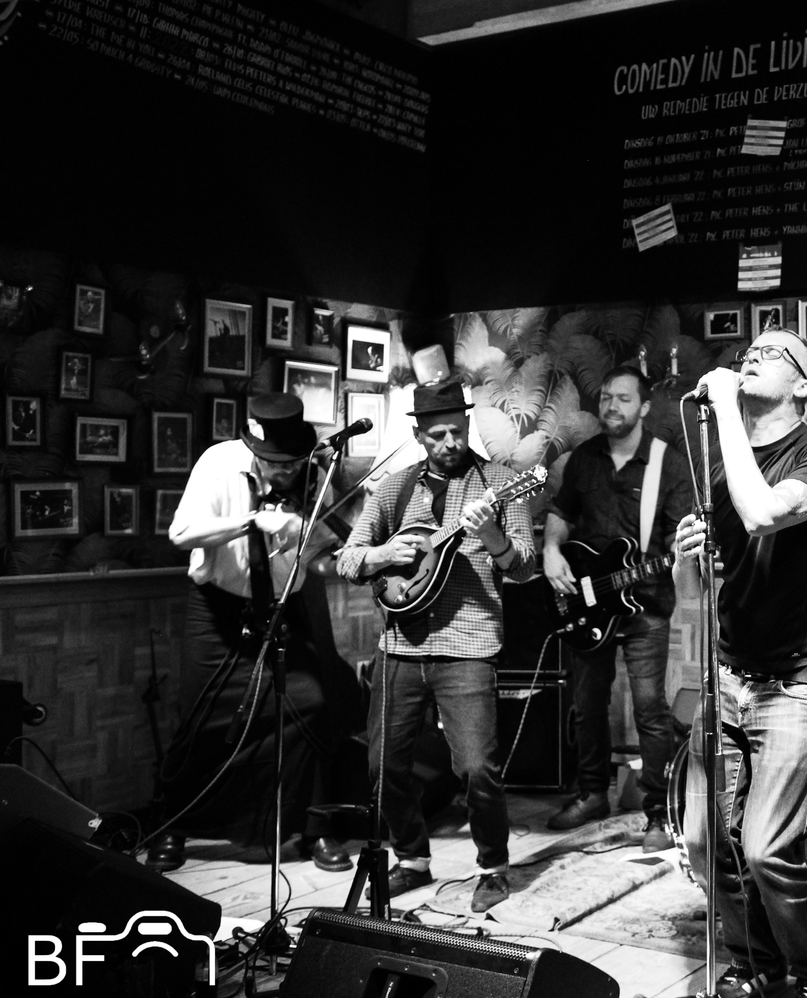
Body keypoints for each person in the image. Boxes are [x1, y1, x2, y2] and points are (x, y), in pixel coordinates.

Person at [673, 328, 807, 998]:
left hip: (799, 679)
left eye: (772, 353)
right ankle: (755, 963)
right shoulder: (725, 465)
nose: (751, 356)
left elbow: (764, 514)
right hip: (730, 671)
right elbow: (698, 589)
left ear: (804, 384)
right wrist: (685, 557)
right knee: (705, 841)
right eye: (748, 352)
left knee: (766, 847)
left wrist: (725, 403)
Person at [336, 380, 537, 914]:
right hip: (399, 646)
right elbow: (348, 559)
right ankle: (412, 858)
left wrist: (493, 537)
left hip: (469, 645)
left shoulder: (503, 483)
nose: (450, 442)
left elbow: (524, 567)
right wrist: (383, 556)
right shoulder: (394, 488)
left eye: (457, 431)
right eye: (437, 434)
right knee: (382, 767)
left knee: (476, 768)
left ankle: (492, 866)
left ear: (467, 426)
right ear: (418, 433)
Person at [149, 394, 350, 875]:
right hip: (217, 610)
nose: (286, 472)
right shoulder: (219, 463)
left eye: (293, 463)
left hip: (281, 609)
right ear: (255, 449)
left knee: (311, 704)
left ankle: (313, 827)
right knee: (201, 718)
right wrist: (251, 522)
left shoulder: (313, 479)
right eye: (276, 464)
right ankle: (173, 824)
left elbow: (320, 559)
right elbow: (182, 533)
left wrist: (333, 555)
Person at [542, 366, 693, 851]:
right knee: (586, 706)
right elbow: (561, 513)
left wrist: (685, 555)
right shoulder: (584, 459)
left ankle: (658, 814)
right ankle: (592, 795)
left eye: (623, 399)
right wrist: (550, 550)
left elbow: (678, 539)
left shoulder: (668, 464)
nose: (611, 406)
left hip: (645, 605)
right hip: (587, 602)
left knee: (650, 709)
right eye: (606, 396)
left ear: (643, 407)